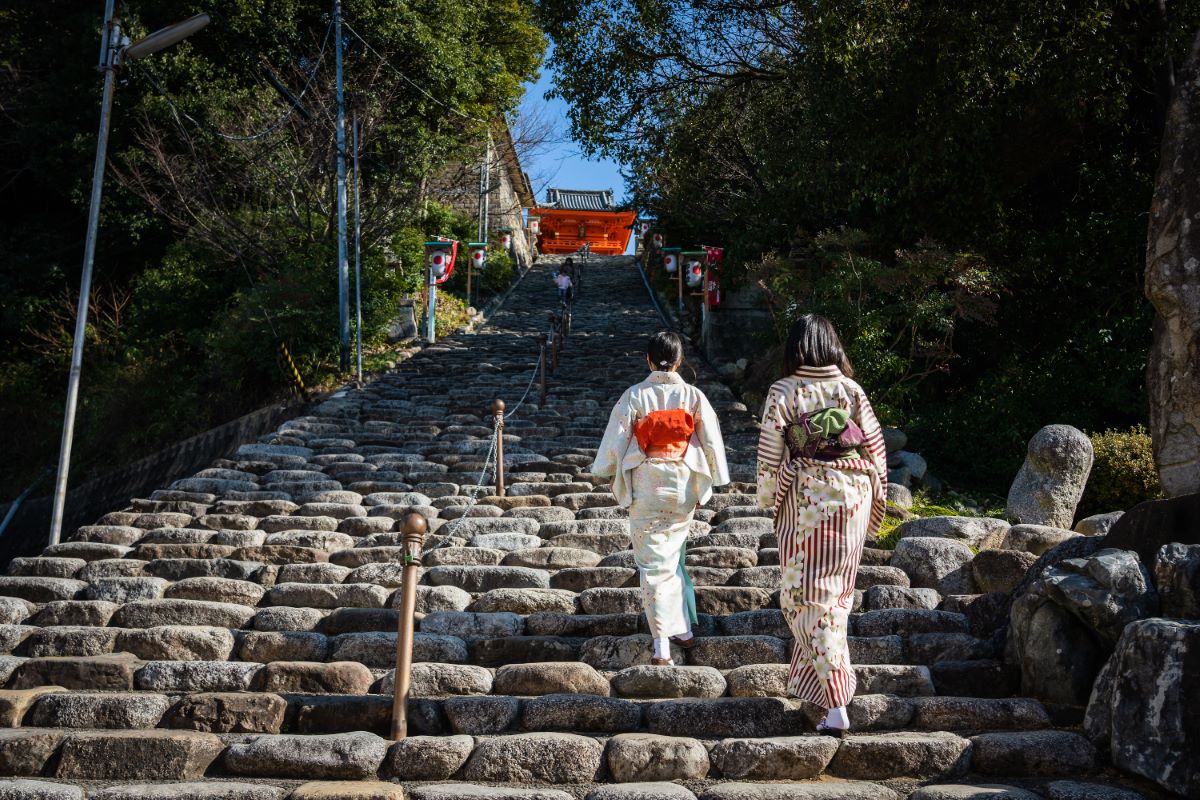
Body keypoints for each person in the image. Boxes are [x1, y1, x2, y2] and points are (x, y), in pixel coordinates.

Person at [755, 314, 887, 736]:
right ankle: (822, 693)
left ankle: (836, 700)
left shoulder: (785, 391)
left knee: (804, 598)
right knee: (836, 596)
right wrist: (875, 492)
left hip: (809, 493)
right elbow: (875, 451)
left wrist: (768, 495)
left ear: (795, 348)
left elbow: (770, 457)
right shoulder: (851, 390)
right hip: (854, 494)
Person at [591, 331, 730, 665]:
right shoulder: (693, 395)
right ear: (679, 360)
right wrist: (715, 477)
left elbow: (617, 441)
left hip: (647, 480)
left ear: (649, 360)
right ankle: (682, 630)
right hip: (682, 481)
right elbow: (710, 440)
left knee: (654, 565)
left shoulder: (635, 395)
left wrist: (606, 470)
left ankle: (661, 645)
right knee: (672, 558)